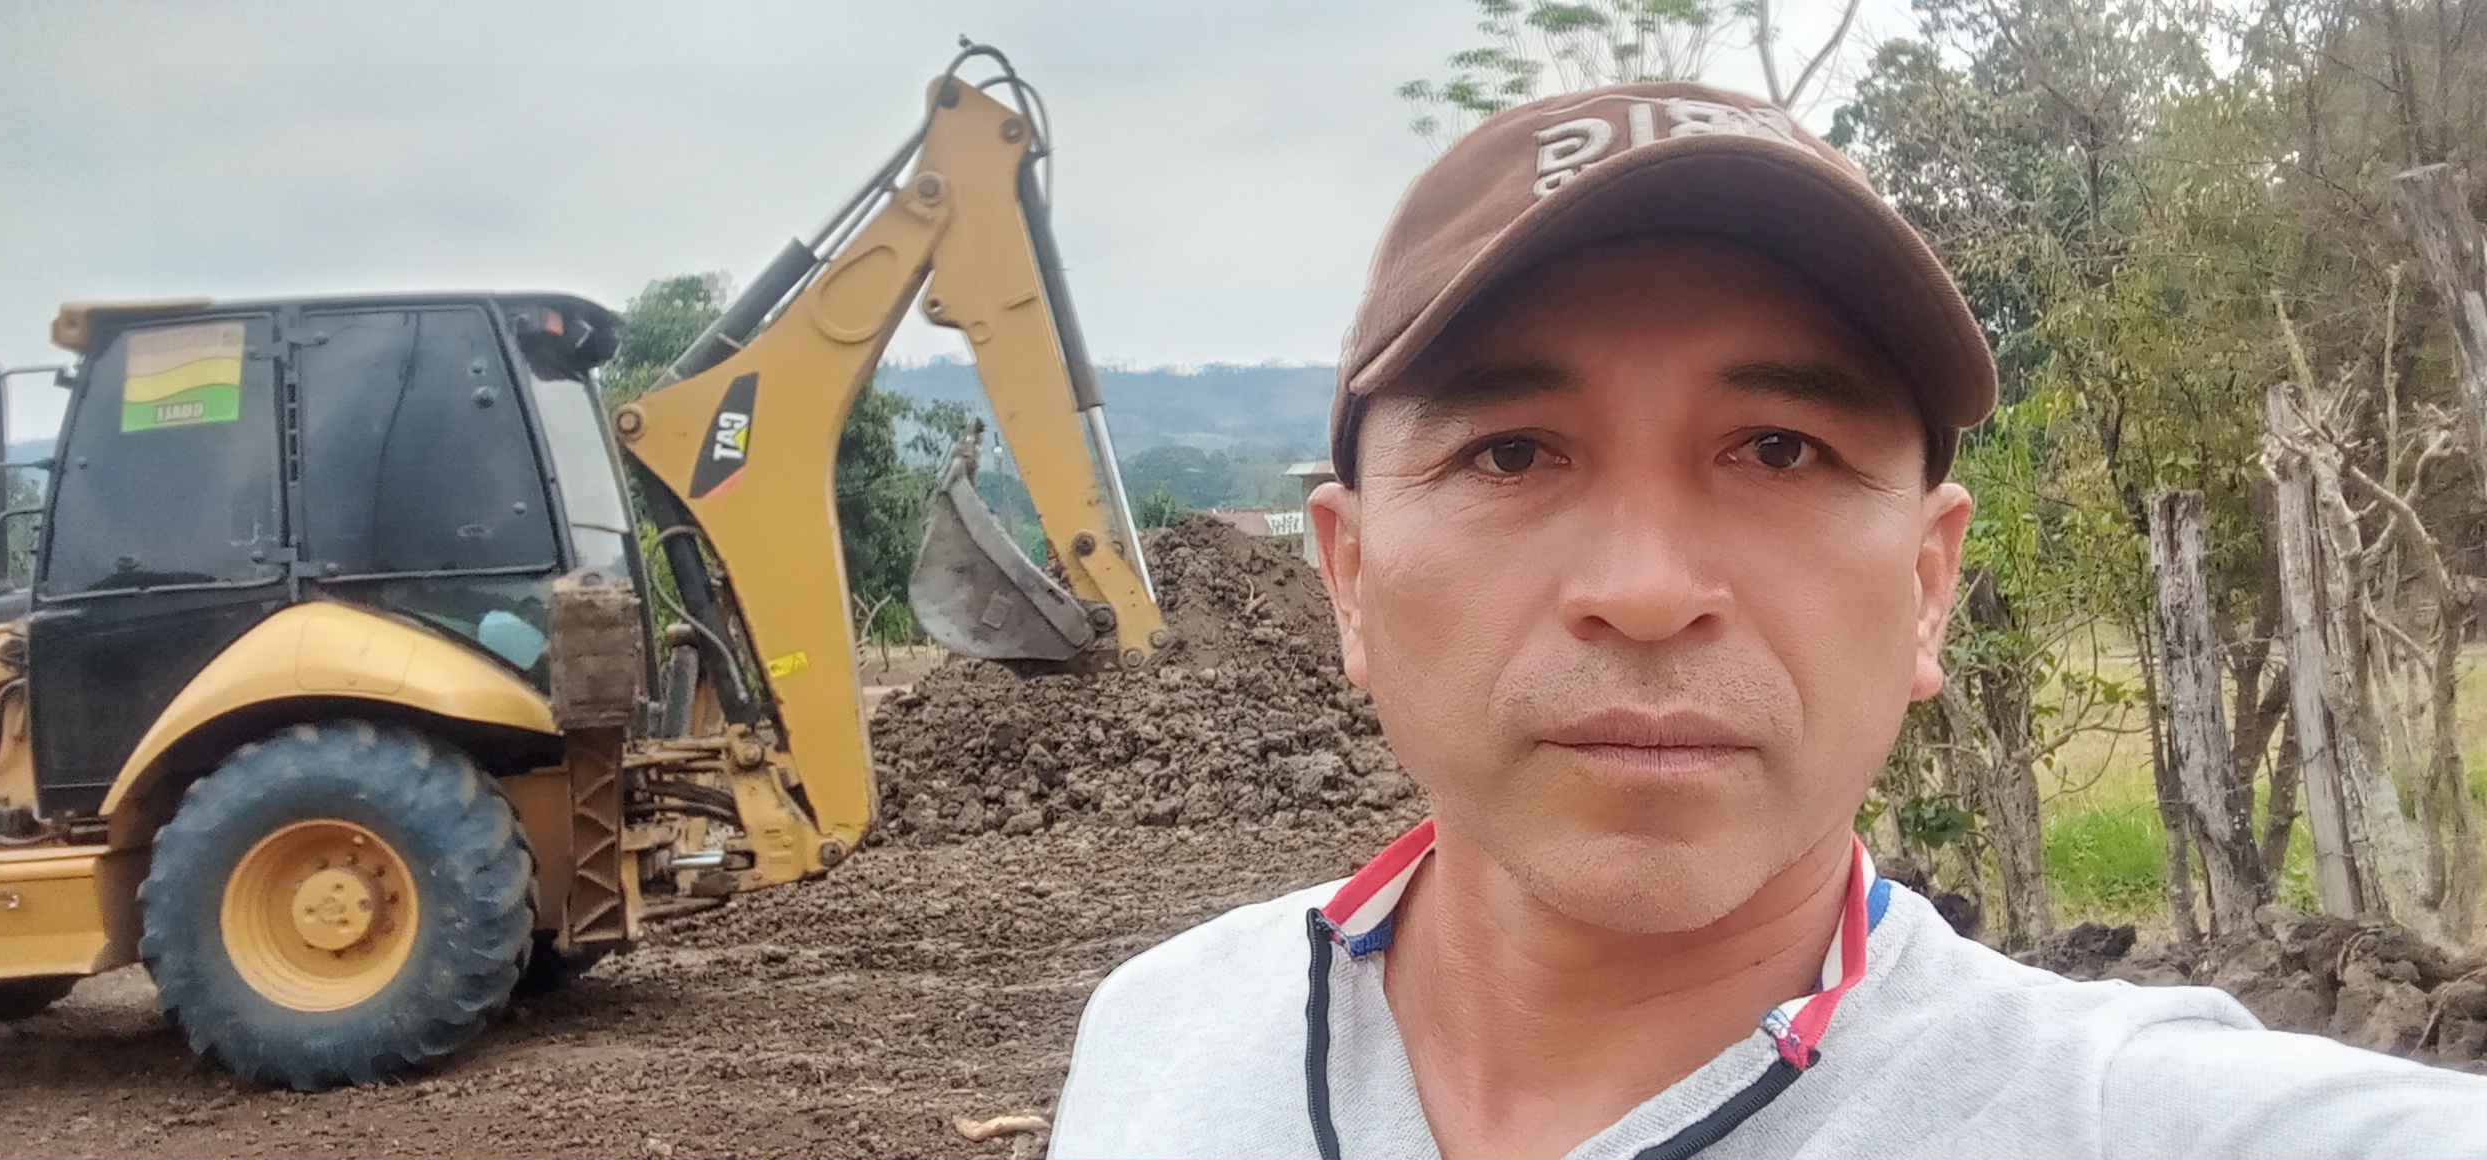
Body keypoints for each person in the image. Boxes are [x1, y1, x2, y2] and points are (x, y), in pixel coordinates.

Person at [1048, 80, 2487, 1160]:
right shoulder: (1158, 1043)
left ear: (1925, 587)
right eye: (1513, 452)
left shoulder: (2126, 1118)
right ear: (1350, 576)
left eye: (1782, 450)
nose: (1648, 587)